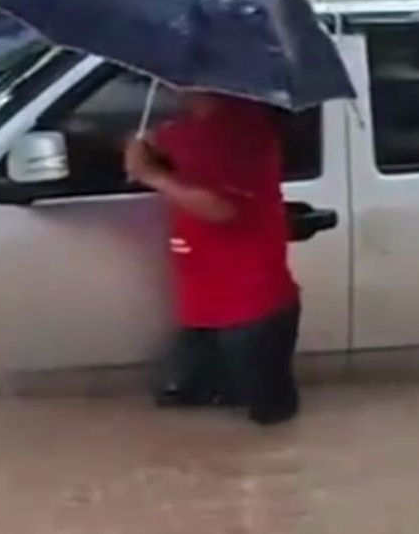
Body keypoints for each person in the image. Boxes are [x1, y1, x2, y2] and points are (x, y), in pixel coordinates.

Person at [123, 90, 301, 426]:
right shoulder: (189, 128)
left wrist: (154, 177)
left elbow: (221, 208)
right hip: (204, 308)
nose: (167, 82)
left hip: (251, 307)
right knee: (183, 402)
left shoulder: (243, 133)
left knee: (270, 421)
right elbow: (159, 143)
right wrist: (139, 146)